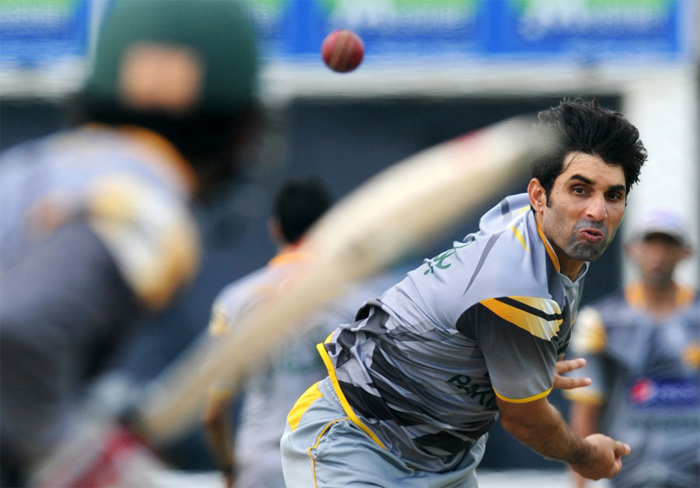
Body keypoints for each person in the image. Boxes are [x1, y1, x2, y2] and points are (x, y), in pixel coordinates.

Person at [280, 98, 648, 487]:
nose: (597, 211)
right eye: (580, 189)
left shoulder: (536, 229)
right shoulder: (516, 282)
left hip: (445, 464)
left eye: (613, 195)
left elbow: (476, 327)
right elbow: (525, 420)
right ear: (539, 196)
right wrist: (586, 455)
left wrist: (519, 364)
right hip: (358, 441)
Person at [0, 1, 260, 485]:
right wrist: (65, 453)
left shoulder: (23, 170)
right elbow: (19, 327)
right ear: (242, 129)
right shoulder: (150, 203)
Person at [203, 178, 406, 488]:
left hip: (259, 467)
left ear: (275, 228)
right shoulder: (362, 300)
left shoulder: (236, 299)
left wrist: (230, 470)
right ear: (330, 229)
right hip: (332, 463)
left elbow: (212, 414)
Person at [565, 209, 699, 488]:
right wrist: (578, 483)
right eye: (650, 243)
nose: (658, 254)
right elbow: (586, 407)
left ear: (686, 252)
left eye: (668, 244)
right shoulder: (602, 321)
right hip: (631, 475)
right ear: (632, 249)